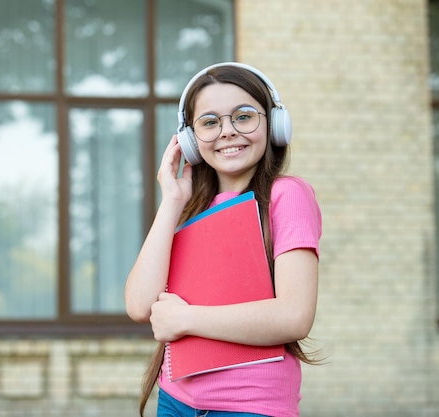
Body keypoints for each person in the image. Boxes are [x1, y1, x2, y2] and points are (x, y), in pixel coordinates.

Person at [124, 62, 322, 417]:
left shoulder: (286, 195)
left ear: (274, 124)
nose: (227, 132)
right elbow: (140, 306)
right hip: (176, 403)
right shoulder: (186, 207)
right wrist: (171, 200)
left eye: (243, 117)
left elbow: (294, 316)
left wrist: (187, 319)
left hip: (250, 407)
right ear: (190, 139)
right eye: (210, 122)